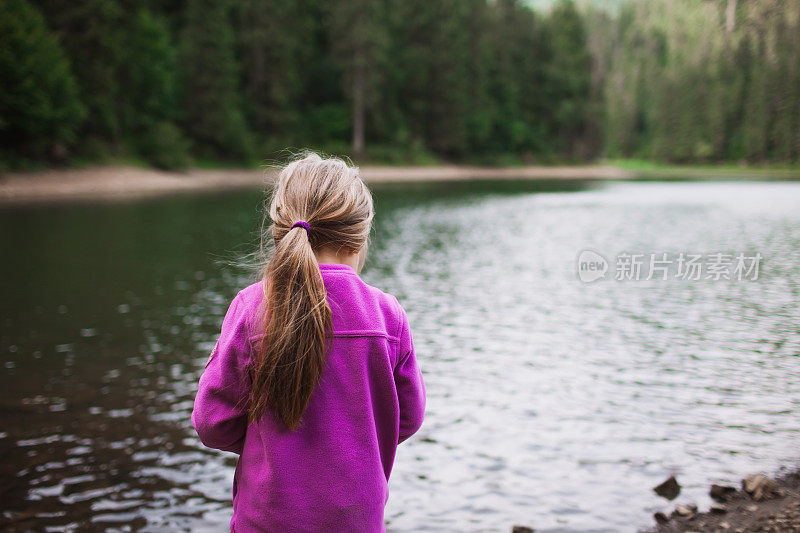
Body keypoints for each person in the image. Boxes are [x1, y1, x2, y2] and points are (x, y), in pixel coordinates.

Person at [191, 153, 426, 532]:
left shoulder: (251, 308)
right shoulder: (387, 316)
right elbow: (408, 417)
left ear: (281, 230)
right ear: (360, 238)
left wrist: (268, 447)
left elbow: (212, 423)